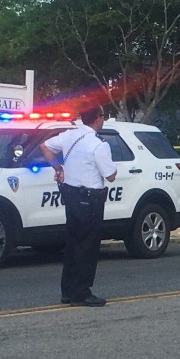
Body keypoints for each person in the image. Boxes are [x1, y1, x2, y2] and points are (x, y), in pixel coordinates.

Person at [39, 105, 117, 306]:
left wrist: (58, 166)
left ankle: (68, 290)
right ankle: (82, 292)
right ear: (98, 118)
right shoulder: (99, 145)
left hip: (71, 195)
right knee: (88, 246)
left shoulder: (69, 136)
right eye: (103, 116)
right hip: (90, 198)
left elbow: (45, 146)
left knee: (73, 244)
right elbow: (110, 175)